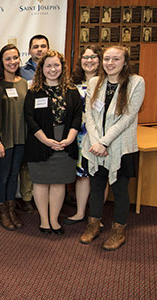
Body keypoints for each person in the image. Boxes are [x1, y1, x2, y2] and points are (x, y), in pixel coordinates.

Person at [80, 46, 145, 251]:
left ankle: (118, 231)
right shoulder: (94, 82)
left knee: (120, 189)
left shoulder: (136, 83)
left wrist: (105, 142)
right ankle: (93, 225)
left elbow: (127, 117)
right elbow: (89, 115)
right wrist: (95, 141)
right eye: (106, 59)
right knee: (97, 186)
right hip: (94, 146)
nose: (110, 63)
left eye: (115, 59)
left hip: (120, 147)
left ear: (125, 62)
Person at [24, 50, 82, 235]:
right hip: (40, 142)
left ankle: (54, 220)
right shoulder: (34, 91)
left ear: (62, 67)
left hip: (66, 141)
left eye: (56, 65)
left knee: (58, 183)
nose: (52, 69)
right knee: (41, 183)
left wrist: (70, 138)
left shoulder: (72, 91)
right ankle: (43, 220)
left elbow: (76, 117)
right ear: (42, 69)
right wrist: (46, 141)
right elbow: (29, 118)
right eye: (48, 65)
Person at [64, 45, 102, 225]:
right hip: (79, 136)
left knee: (100, 176)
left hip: (101, 137)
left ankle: (97, 216)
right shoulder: (73, 83)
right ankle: (80, 213)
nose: (89, 61)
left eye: (93, 57)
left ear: (100, 60)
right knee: (82, 175)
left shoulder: (106, 82)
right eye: (85, 57)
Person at [0, 44, 28, 231]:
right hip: (3, 139)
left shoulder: (23, 83)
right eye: (8, 58)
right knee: (3, 176)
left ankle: (12, 209)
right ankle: (3, 211)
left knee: (14, 175)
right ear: (1, 61)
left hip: (20, 138)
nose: (12, 62)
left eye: (15, 58)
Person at [19, 34, 50, 214]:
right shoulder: (22, 72)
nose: (39, 49)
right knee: (27, 163)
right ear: (29, 50)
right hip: (28, 123)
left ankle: (46, 196)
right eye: (35, 46)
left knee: (47, 160)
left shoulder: (55, 68)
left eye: (43, 46)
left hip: (49, 123)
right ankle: (26, 198)